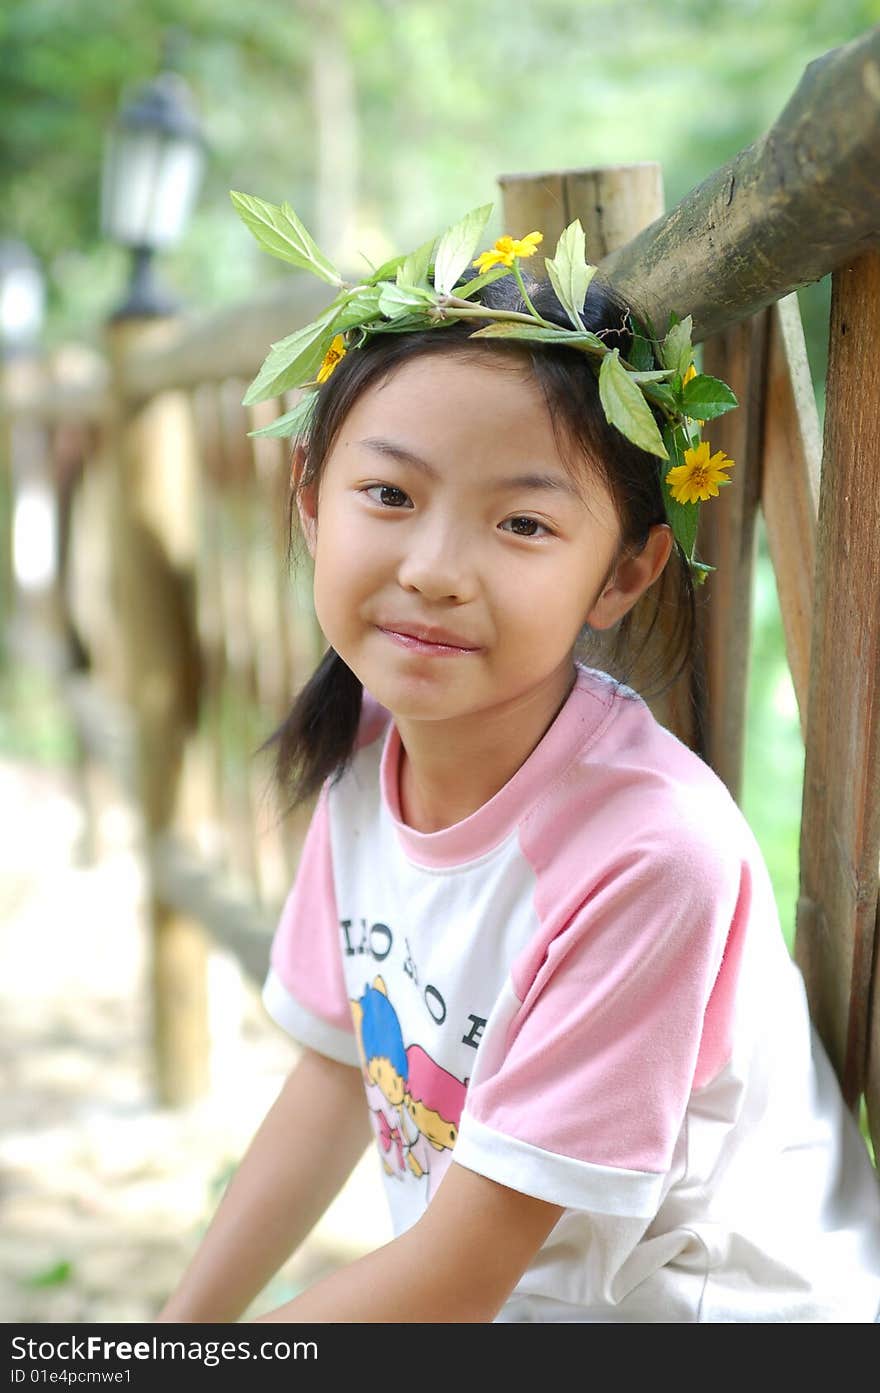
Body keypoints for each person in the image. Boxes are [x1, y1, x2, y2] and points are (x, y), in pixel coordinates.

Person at [158, 211, 880, 1323]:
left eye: (523, 523)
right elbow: (334, 1078)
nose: (436, 570)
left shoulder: (648, 855)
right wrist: (177, 1332)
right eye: (390, 495)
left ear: (624, 575)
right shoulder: (361, 759)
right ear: (309, 499)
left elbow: (455, 1277)